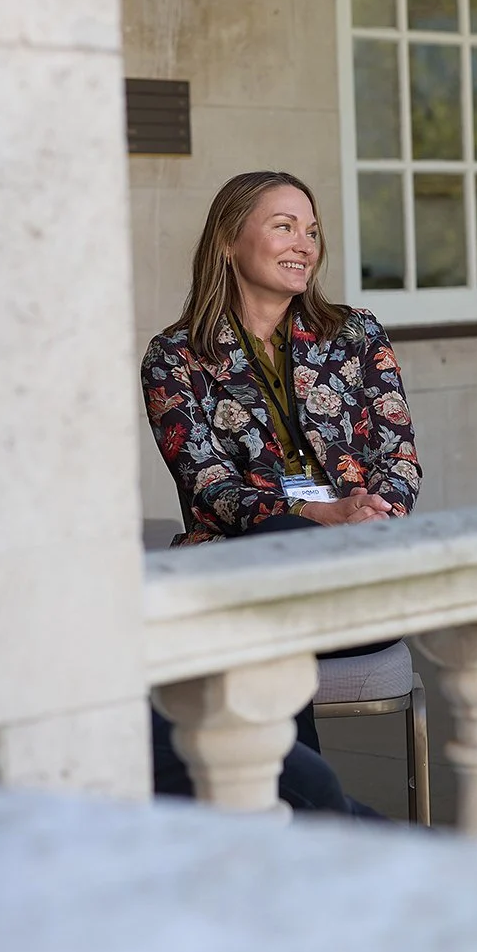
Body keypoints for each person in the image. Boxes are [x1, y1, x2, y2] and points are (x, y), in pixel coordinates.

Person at [141, 170, 424, 813]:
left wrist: (371, 516)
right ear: (227, 242)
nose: (306, 243)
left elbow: (398, 454)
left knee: (266, 617)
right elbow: (208, 482)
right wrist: (316, 512)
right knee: (275, 577)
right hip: (241, 563)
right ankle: (321, 820)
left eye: (313, 230)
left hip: (355, 571)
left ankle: (311, 821)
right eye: (284, 226)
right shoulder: (174, 357)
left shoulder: (356, 333)